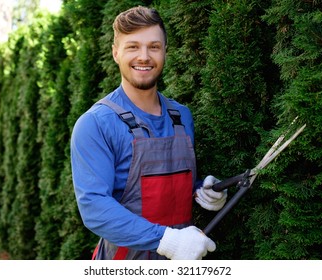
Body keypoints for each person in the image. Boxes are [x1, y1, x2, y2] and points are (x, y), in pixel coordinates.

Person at [71, 6, 227, 260]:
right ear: (115, 53)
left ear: (165, 51)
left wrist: (203, 191)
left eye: (153, 46)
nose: (144, 56)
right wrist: (168, 242)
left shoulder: (181, 117)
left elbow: (167, 188)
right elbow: (94, 207)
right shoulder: (95, 124)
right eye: (133, 47)